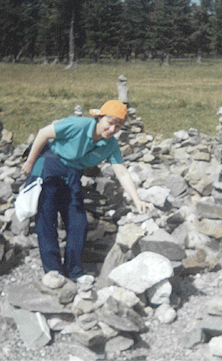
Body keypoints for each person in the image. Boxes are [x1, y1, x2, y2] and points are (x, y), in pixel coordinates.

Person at [21, 100, 153, 280]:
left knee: (78, 223)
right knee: (47, 219)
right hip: (50, 165)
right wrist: (30, 161)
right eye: (110, 122)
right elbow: (44, 133)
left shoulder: (110, 145)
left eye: (118, 125)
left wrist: (137, 200)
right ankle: (54, 273)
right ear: (99, 118)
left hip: (72, 173)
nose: (112, 129)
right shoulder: (78, 125)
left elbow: (121, 172)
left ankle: (74, 272)